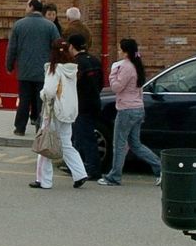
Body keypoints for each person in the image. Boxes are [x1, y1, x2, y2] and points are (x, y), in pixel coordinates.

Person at [97, 37, 163, 186]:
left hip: (126, 109)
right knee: (135, 144)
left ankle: (114, 176)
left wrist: (113, 73)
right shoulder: (137, 65)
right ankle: (160, 167)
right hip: (137, 108)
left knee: (119, 144)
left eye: (120, 49)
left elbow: (116, 88)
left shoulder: (126, 67)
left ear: (125, 52)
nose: (119, 52)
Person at [29, 39, 87, 190]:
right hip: (69, 110)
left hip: (53, 110)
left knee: (46, 144)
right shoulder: (72, 69)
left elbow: (49, 91)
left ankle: (43, 180)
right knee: (66, 143)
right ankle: (80, 173)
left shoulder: (53, 68)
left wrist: (42, 95)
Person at [5, 0, 59, 136]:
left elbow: (12, 48)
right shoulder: (50, 26)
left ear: (30, 7)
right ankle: (40, 129)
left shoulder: (19, 25)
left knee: (24, 99)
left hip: (25, 70)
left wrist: (9, 65)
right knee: (42, 101)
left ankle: (20, 128)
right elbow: (57, 47)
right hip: (44, 71)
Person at [68, 32, 103, 178]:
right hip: (95, 102)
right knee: (81, 136)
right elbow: (101, 83)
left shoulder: (76, 64)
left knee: (86, 137)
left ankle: (92, 169)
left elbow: (73, 85)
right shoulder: (95, 60)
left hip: (81, 105)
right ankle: (75, 166)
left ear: (72, 46)